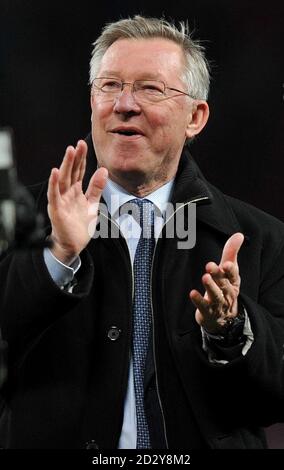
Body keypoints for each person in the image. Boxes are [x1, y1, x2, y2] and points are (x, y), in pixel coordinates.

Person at [0, 15, 284, 450]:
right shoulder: (19, 223)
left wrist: (230, 330)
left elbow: (274, 397)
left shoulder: (262, 240)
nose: (124, 104)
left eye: (150, 88)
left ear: (196, 116)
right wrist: (57, 257)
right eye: (110, 86)